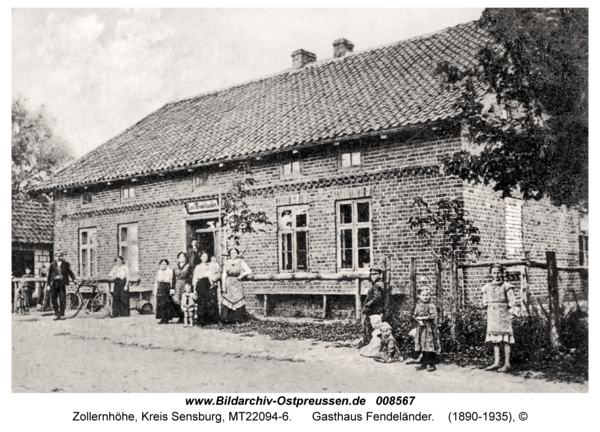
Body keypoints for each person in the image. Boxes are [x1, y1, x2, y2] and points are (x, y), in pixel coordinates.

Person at [482, 263, 517, 372]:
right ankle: (496, 362)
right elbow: (485, 301)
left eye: (498, 272)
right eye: (494, 273)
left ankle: (507, 363)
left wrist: (511, 311)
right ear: (491, 274)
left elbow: (512, 301)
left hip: (503, 315)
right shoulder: (487, 287)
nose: (496, 275)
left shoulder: (506, 286)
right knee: (495, 340)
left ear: (502, 273)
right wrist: (487, 306)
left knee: (506, 339)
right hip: (492, 315)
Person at [221, 248, 252, 324]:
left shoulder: (241, 262)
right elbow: (224, 275)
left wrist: (242, 275)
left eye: (235, 253)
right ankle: (227, 319)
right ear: (229, 254)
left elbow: (249, 270)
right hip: (228, 283)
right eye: (232, 253)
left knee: (238, 299)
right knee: (227, 299)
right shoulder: (227, 262)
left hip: (237, 283)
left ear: (237, 254)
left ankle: (238, 319)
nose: (233, 254)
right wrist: (223, 285)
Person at [413, 287, 440, 372]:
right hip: (421, 328)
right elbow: (414, 315)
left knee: (429, 344)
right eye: (423, 295)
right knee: (422, 344)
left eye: (427, 295)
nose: (425, 297)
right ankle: (424, 363)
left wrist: (421, 318)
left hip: (429, 329)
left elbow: (432, 316)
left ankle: (431, 363)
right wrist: (418, 320)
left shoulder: (431, 306)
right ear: (419, 296)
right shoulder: (418, 306)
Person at [192, 252, 221, 326]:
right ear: (200, 257)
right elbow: (195, 278)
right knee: (202, 302)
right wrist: (194, 289)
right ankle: (202, 321)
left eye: (206, 256)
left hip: (208, 284)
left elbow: (217, 273)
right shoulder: (198, 267)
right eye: (203, 256)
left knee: (210, 301)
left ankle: (211, 320)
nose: (205, 258)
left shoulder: (211, 265)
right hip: (201, 284)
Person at [46, 252, 76, 320]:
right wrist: (48, 285)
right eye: (57, 256)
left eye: (60, 256)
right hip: (54, 284)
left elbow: (70, 272)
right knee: (53, 299)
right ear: (55, 257)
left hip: (62, 284)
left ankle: (62, 314)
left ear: (62, 256)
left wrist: (74, 279)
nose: (59, 257)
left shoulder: (66, 264)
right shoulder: (52, 265)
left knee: (62, 299)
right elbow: (49, 276)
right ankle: (56, 314)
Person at [361, 266, 385, 346]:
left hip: (373, 309)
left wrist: (368, 305)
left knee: (369, 325)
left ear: (380, 274)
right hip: (377, 308)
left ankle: (369, 344)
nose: (373, 276)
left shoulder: (377, 285)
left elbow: (377, 297)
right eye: (371, 274)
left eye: (375, 274)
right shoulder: (380, 283)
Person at [154, 259, 175, 324]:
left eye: (165, 264)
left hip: (167, 288)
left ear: (167, 265)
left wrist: (172, 289)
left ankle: (166, 319)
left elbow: (172, 280)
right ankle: (162, 318)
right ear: (160, 265)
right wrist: (155, 291)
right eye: (162, 264)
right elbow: (156, 282)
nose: (163, 265)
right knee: (160, 304)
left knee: (166, 304)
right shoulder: (158, 272)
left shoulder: (169, 271)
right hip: (160, 288)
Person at [172, 252, 191, 324]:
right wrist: (172, 287)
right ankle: (180, 317)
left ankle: (187, 317)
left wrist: (188, 284)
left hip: (186, 284)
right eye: (180, 257)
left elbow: (190, 276)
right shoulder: (175, 267)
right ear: (178, 258)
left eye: (183, 257)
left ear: (185, 258)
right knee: (178, 300)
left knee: (186, 300)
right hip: (177, 285)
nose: (182, 258)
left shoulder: (188, 266)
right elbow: (173, 278)